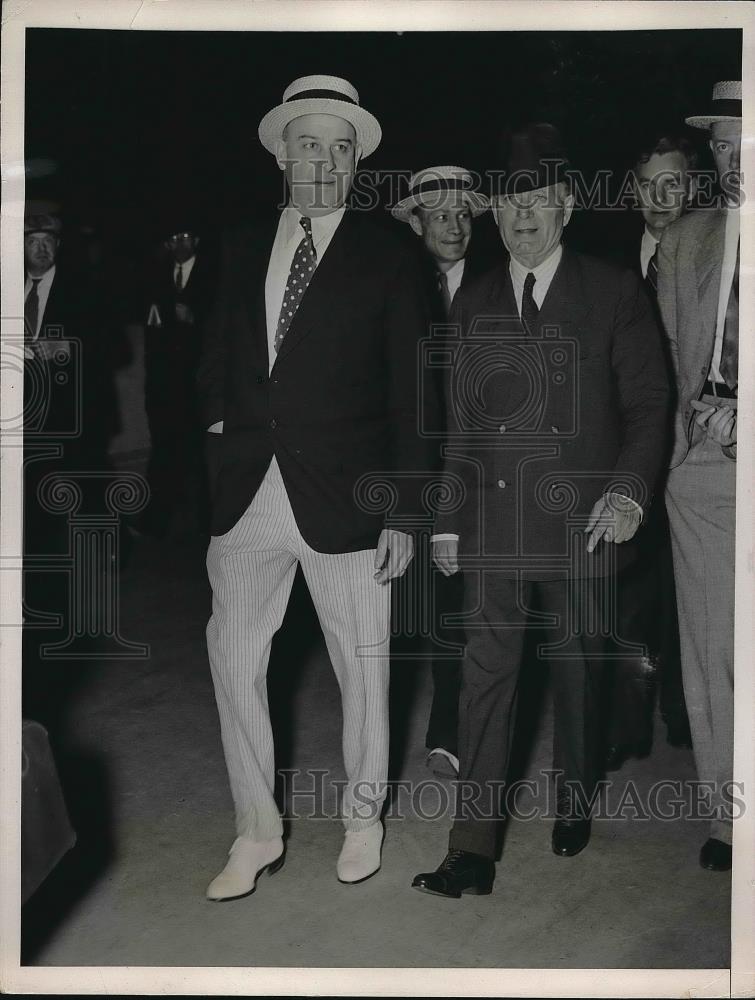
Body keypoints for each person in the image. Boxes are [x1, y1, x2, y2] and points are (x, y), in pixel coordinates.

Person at [412, 123, 669, 897]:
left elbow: (650, 403)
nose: (521, 216)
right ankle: (472, 848)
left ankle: (575, 792)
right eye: (508, 203)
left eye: (536, 200)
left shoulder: (612, 289)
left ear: (563, 206)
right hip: (491, 529)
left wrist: (627, 492)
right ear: (493, 212)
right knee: (484, 680)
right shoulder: (477, 300)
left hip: (580, 527)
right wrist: (449, 519)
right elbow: (456, 424)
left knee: (577, 670)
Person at [197, 75, 436, 900]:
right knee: (233, 664)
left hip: (351, 500)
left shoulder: (390, 254)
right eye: (311, 145)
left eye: (343, 149)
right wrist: (213, 425)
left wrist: (406, 508)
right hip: (246, 495)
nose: (327, 162)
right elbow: (203, 354)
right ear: (280, 156)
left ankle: (362, 819)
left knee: (364, 669)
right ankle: (255, 831)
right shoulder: (233, 244)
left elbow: (414, 392)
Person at [657, 81, 741, 873]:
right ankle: (725, 814)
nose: (734, 157)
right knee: (711, 647)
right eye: (721, 144)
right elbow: (657, 371)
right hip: (701, 471)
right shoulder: (685, 240)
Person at [391, 165, 492, 779]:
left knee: (468, 604)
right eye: (440, 215)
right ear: (417, 222)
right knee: (418, 607)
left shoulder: (499, 284)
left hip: (483, 471)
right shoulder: (398, 285)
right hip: (416, 472)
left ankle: (452, 734)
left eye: (463, 215)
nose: (454, 226)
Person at [603, 135, 698, 770]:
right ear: (632, 191)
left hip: (695, 457)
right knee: (624, 593)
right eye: (649, 184)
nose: (662, 198)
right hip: (626, 456)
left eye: (675, 183)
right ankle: (625, 725)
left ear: (692, 186)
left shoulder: (722, 254)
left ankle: (689, 716)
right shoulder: (605, 263)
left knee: (687, 595)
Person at [140, 221, 216, 538]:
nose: (178, 244)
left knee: (200, 455)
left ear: (196, 240)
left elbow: (221, 323)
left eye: (184, 237)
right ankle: (156, 521)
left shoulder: (212, 278)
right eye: (173, 239)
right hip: (163, 385)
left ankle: (207, 526)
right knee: (163, 450)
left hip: (197, 384)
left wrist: (195, 318)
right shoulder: (157, 278)